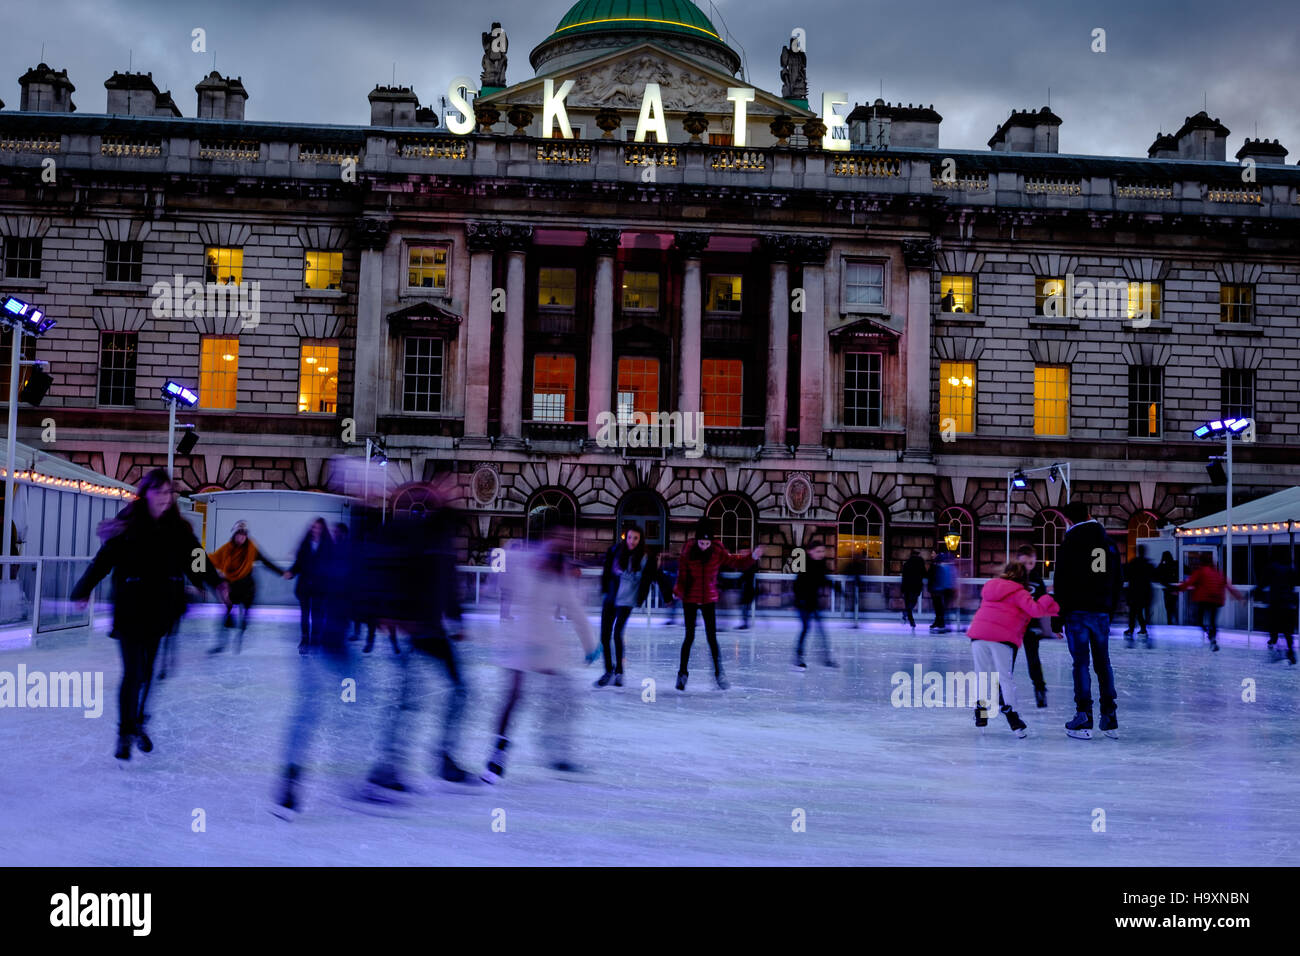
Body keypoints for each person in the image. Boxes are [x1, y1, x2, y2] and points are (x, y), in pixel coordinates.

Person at [71, 469, 218, 760]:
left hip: (159, 611)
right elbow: (103, 561)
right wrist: (83, 589)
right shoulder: (126, 526)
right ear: (146, 493)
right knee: (133, 672)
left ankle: (138, 722)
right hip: (130, 610)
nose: (165, 498)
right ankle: (125, 732)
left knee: (148, 673)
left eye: (168, 493)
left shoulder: (178, 530)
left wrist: (217, 583)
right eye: (159, 492)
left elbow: (196, 561)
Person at [361, 488, 474, 794]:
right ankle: (386, 768)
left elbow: (448, 583)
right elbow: (392, 571)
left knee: (458, 691)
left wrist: (457, 619)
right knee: (409, 699)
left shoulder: (444, 538)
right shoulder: (418, 534)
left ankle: (442, 759)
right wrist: (389, 613)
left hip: (432, 629)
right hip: (415, 627)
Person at [481, 507, 602, 784]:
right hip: (520, 638)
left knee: (564, 694)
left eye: (569, 537)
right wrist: (491, 595)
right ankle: (497, 756)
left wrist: (590, 646)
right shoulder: (521, 556)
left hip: (546, 642)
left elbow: (575, 611)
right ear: (550, 536)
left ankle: (556, 748)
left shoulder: (563, 572)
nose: (566, 541)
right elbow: (498, 570)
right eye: (561, 535)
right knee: (514, 696)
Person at [274, 517, 355, 817]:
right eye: (318, 529)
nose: (321, 532)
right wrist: (292, 572)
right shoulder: (309, 547)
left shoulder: (335, 549)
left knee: (321, 708)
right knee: (310, 707)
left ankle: (299, 779)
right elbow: (299, 562)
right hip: (311, 596)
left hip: (331, 613)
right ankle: (291, 781)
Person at [1053, 501, 1124, 740]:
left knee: (1081, 663)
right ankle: (1110, 716)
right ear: (1089, 514)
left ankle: (1084, 715)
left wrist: (1057, 618)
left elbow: (1061, 584)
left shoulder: (1069, 544)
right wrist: (1109, 610)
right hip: (1101, 612)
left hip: (1077, 613)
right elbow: (1117, 580)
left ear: (1069, 521)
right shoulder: (1108, 543)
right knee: (1103, 663)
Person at [967, 561, 1060, 738]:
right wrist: (1049, 595)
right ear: (1023, 577)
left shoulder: (990, 587)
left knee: (981, 674)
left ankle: (981, 712)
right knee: (1004, 677)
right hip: (1001, 638)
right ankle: (1012, 716)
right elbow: (1036, 611)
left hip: (978, 635)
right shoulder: (1019, 592)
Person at [673, 519, 762, 691]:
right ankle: (682, 674)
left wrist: (752, 557)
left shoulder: (717, 551)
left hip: (708, 599)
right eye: (701, 542)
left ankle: (719, 673)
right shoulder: (688, 551)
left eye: (707, 543)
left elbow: (736, 563)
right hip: (690, 599)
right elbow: (682, 576)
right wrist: (677, 592)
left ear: (711, 541)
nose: (704, 546)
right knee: (689, 637)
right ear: (696, 540)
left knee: (712, 638)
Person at [207, 520, 286, 654]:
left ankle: (240, 636)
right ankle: (221, 643)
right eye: (239, 534)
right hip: (232, 587)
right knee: (227, 613)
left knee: (244, 616)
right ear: (234, 535)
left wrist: (282, 572)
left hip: (248, 588)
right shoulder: (227, 549)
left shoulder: (251, 549)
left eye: (244, 535)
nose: (242, 537)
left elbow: (266, 562)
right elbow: (212, 559)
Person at [595, 525, 657, 687]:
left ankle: (619, 672)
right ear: (626, 537)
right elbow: (606, 571)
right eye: (630, 537)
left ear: (640, 539)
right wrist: (604, 589)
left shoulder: (644, 557)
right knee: (604, 636)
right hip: (611, 598)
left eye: (636, 538)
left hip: (627, 601)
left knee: (617, 634)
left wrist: (641, 598)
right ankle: (608, 670)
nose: (632, 541)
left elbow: (648, 578)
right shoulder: (615, 552)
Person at [1016, 544, 1061, 708]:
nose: (1028, 567)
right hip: (1012, 626)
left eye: (1031, 563)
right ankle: (1001, 692)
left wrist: (1046, 625)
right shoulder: (1012, 577)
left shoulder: (1036, 579)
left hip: (1031, 626)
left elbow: (1043, 602)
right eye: (1025, 563)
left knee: (1033, 659)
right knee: (1007, 660)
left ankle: (1040, 690)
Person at [283, 517, 333, 655]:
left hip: (320, 586)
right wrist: (291, 572)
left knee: (317, 613)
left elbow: (331, 565)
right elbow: (299, 563)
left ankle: (316, 640)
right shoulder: (305, 545)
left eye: (318, 527)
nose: (315, 530)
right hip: (305, 586)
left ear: (322, 529)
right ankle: (305, 640)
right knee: (305, 614)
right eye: (313, 527)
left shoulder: (328, 545)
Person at [1178, 554, 1241, 652]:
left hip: (1203, 599)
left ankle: (1208, 634)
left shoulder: (1201, 571)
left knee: (1198, 620)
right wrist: (1239, 597)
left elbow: (1188, 583)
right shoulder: (1218, 573)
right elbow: (1228, 585)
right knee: (1212, 621)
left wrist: (1176, 589)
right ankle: (1213, 639)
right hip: (1216, 600)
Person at [792, 540, 839, 669]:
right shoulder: (804, 564)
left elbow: (825, 579)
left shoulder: (821, 564)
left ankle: (827, 658)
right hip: (803, 603)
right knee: (806, 629)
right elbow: (797, 585)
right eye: (818, 551)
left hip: (813, 602)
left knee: (821, 630)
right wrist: (800, 600)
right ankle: (798, 657)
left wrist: (839, 590)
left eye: (823, 551)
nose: (821, 554)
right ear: (810, 551)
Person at [1259, 550, 1298, 665]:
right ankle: (1290, 651)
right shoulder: (1290, 569)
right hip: (1288, 604)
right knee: (1287, 630)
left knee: (1273, 625)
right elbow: (1292, 585)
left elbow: (1262, 583)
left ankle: (1274, 642)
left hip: (1276, 603)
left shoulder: (1271, 568)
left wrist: (1253, 593)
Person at [1123, 545, 1156, 646]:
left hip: (1135, 591)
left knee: (1134, 612)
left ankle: (1132, 628)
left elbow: (1127, 575)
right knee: (1144, 611)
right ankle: (1144, 628)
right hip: (1145, 591)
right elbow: (1154, 576)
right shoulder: (1148, 564)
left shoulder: (1133, 563)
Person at [928, 551, 956, 633]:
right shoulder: (946, 567)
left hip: (939, 590)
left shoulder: (940, 567)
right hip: (943, 590)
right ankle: (941, 623)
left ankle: (941, 624)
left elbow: (937, 579)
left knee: (940, 608)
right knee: (942, 608)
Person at [901, 550, 926, 629]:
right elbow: (924, 574)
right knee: (913, 602)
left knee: (908, 603)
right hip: (916, 586)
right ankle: (908, 615)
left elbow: (903, 577)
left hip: (907, 586)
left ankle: (912, 622)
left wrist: (902, 588)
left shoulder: (906, 564)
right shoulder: (920, 563)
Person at [1155, 550, 1180, 627]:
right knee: (1174, 606)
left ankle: (1170, 622)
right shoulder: (1175, 564)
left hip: (1167, 589)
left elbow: (1156, 574)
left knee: (1168, 607)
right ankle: (1176, 621)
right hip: (1174, 589)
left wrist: (1161, 562)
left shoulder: (1162, 566)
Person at [658, 554, 679, 626]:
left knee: (672, 604)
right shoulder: (672, 564)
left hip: (673, 586)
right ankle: (671, 619)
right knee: (672, 604)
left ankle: (671, 619)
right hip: (672, 586)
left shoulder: (668, 565)